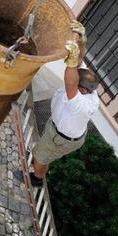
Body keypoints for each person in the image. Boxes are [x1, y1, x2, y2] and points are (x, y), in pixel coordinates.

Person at [30, 20, 100, 188]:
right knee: (43, 151)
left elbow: (70, 82)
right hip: (58, 129)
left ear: (82, 90)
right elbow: (78, 63)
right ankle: (40, 156)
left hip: (62, 138)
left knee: (41, 158)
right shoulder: (89, 84)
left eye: (76, 82)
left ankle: (37, 178)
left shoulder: (81, 104)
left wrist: (71, 62)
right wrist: (82, 41)